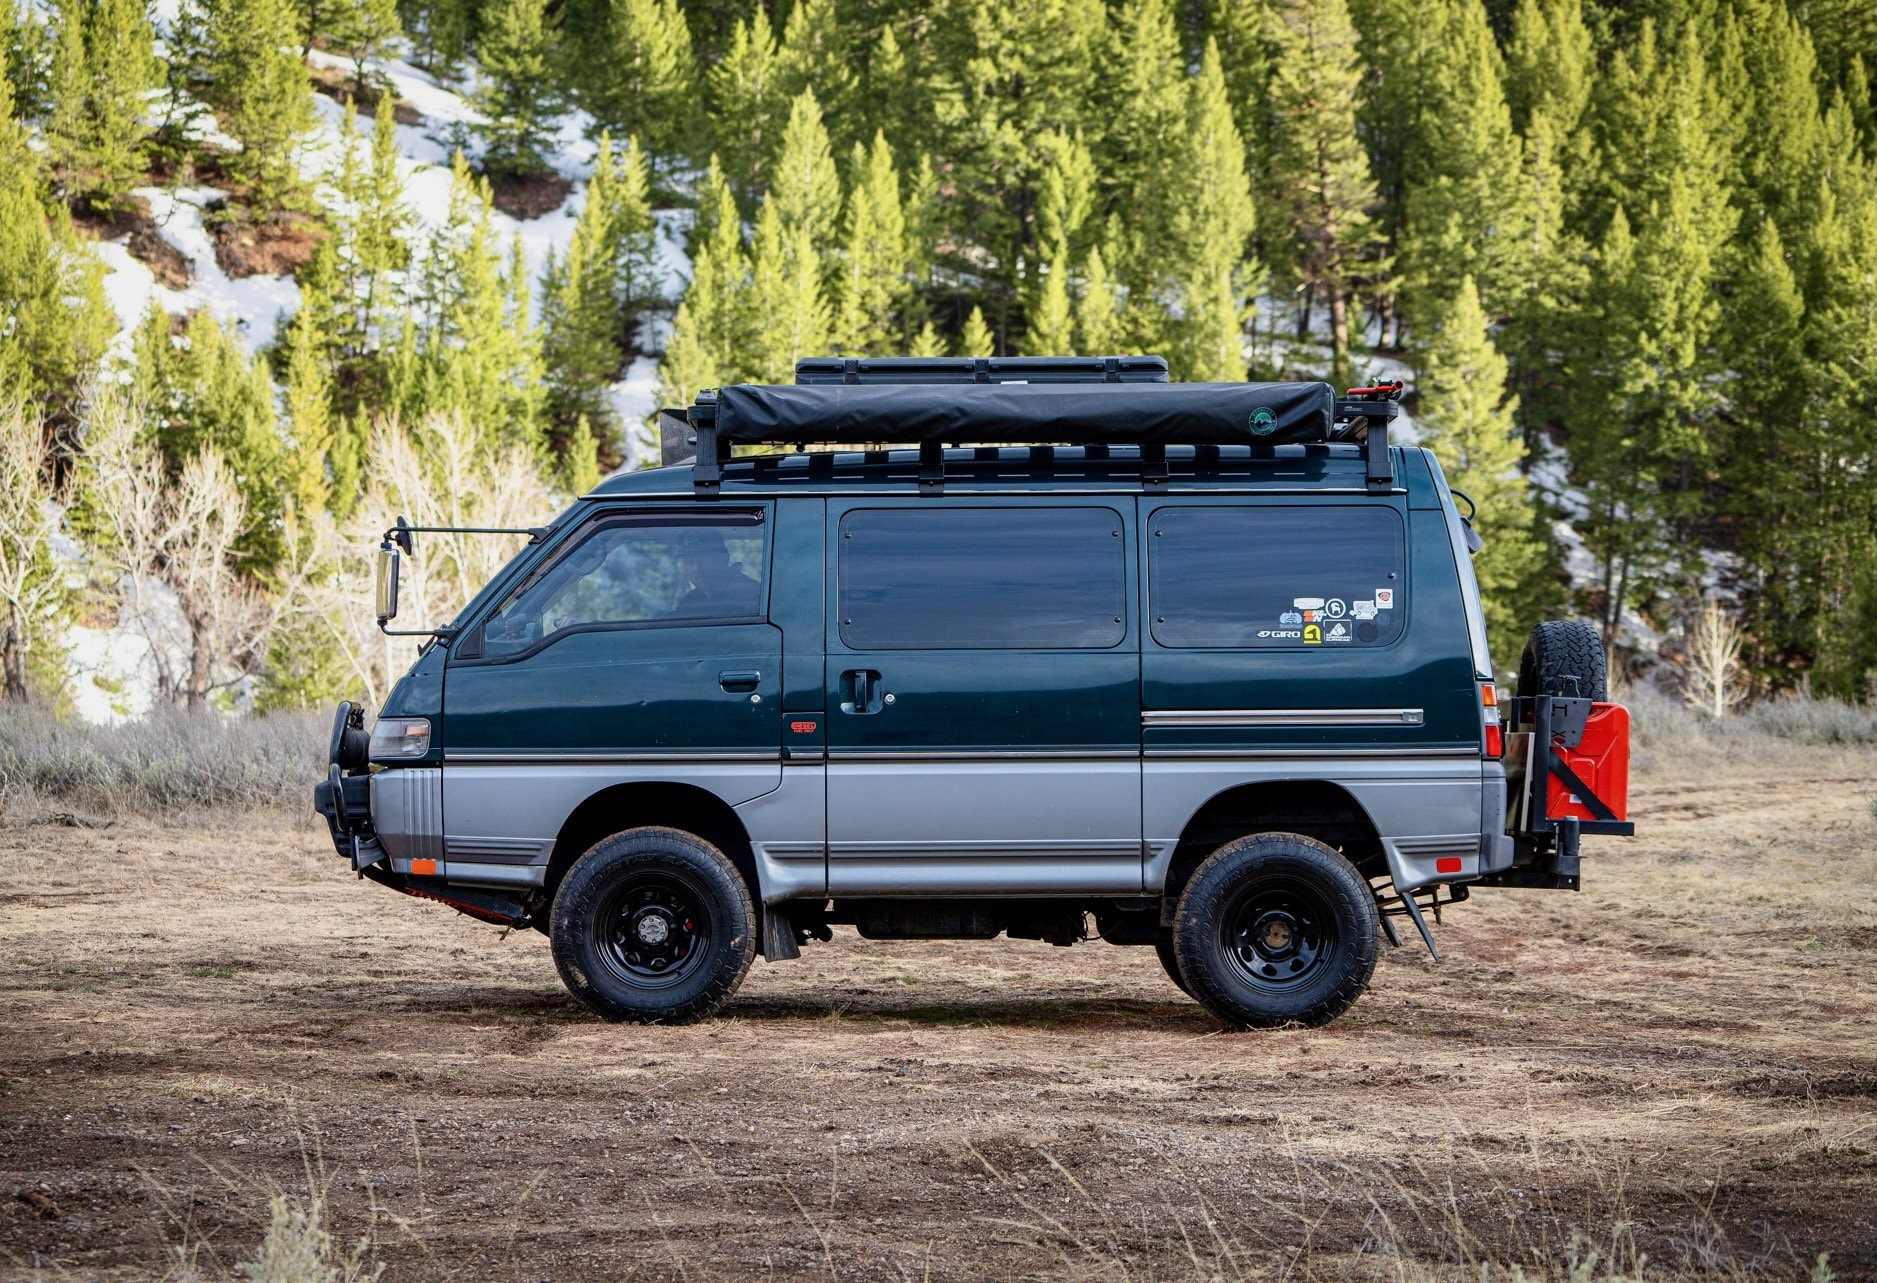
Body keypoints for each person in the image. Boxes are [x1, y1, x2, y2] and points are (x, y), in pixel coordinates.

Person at [675, 528, 760, 617]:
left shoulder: (752, 596)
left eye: (704, 559)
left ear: (724, 558)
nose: (697, 568)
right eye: (689, 561)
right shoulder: (689, 603)